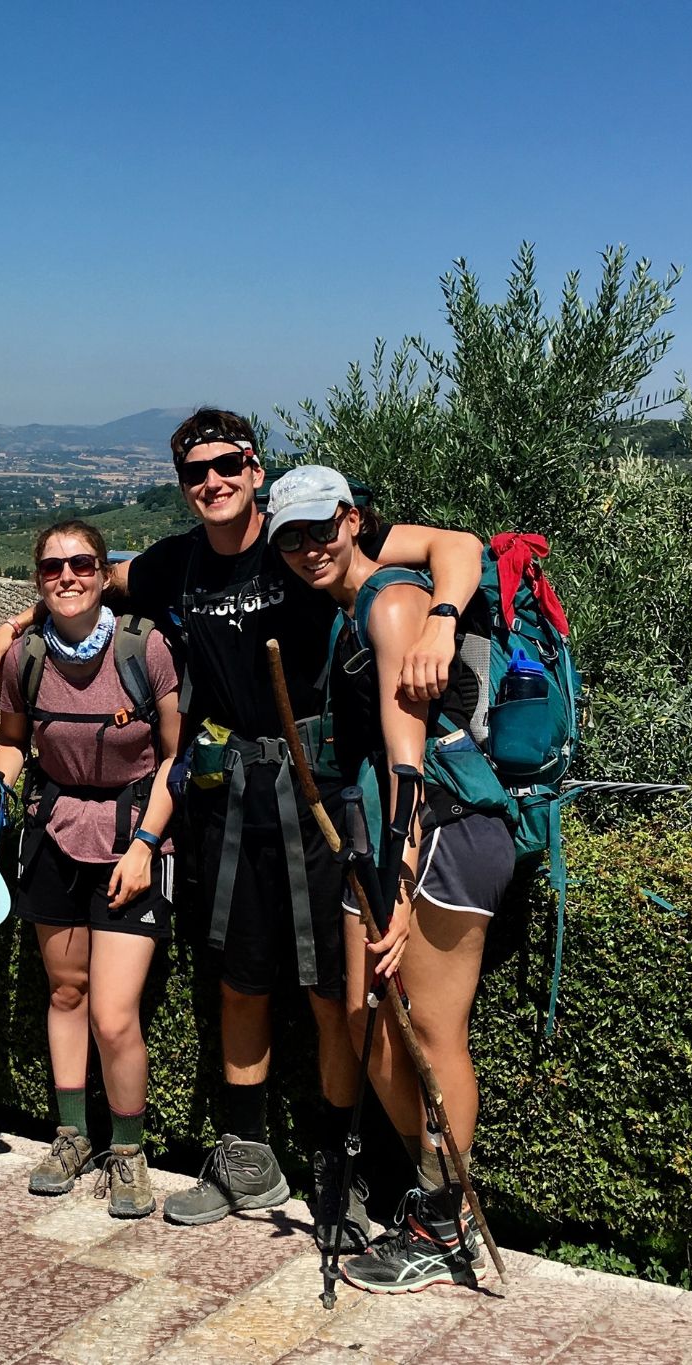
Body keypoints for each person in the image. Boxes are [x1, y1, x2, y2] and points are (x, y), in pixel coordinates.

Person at [0, 408, 482, 1241]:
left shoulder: (302, 537)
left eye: (226, 465)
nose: (211, 481)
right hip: (231, 797)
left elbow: (459, 547)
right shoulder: (176, 563)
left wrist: (442, 617)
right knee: (239, 981)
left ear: (254, 468)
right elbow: (89, 580)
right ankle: (247, 1152)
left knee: (330, 994)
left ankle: (339, 1165)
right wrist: (19, 621)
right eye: (194, 472)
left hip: (326, 798)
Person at [267, 465, 514, 1291]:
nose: (309, 548)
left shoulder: (392, 601)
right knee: (368, 1024)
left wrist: (399, 891)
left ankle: (444, 1222)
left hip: (436, 828)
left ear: (352, 519)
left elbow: (406, 764)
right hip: (387, 836)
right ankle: (434, 1197)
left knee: (432, 1033)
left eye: (320, 528)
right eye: (291, 537)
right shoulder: (360, 598)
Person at [0, 518, 180, 1218]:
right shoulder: (25, 658)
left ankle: (127, 1148)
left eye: (82, 564)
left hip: (133, 834)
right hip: (55, 833)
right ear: (37, 579)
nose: (68, 577)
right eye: (52, 567)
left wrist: (147, 844)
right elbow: (11, 741)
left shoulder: (144, 648)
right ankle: (72, 1133)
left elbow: (174, 756)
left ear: (103, 573)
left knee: (113, 1009)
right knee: (65, 993)